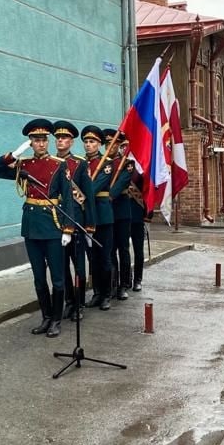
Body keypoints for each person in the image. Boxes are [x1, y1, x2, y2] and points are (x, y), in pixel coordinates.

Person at [0, 119, 73, 337]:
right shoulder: (23, 164)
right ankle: (45, 317)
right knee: (38, 276)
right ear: (31, 143)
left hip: (53, 226)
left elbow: (69, 200)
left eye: (44, 140)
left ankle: (56, 319)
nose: (41, 144)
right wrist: (13, 155)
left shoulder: (58, 164)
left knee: (57, 277)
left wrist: (67, 229)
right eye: (36, 140)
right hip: (31, 226)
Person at [51, 121, 94, 321]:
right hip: (55, 221)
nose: (61, 141)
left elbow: (89, 196)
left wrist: (89, 226)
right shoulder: (49, 162)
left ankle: (79, 304)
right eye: (58, 137)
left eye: (65, 138)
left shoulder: (79, 163)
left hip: (75, 220)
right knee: (61, 267)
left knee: (78, 266)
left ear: (71, 141)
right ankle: (68, 301)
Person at [81, 125, 116, 310]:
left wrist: (79, 191)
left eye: (92, 142)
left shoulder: (107, 163)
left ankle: (106, 295)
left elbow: (94, 188)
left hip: (103, 216)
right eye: (86, 142)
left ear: (100, 144)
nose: (88, 145)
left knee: (105, 257)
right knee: (92, 257)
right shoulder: (81, 163)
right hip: (87, 216)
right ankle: (96, 292)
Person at [106, 129, 135, 301]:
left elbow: (122, 182)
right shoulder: (102, 163)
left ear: (118, 145)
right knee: (110, 250)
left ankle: (124, 284)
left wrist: (107, 195)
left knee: (123, 249)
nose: (110, 146)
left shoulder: (126, 162)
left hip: (121, 210)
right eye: (107, 143)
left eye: (114, 143)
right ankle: (112, 283)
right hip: (107, 212)